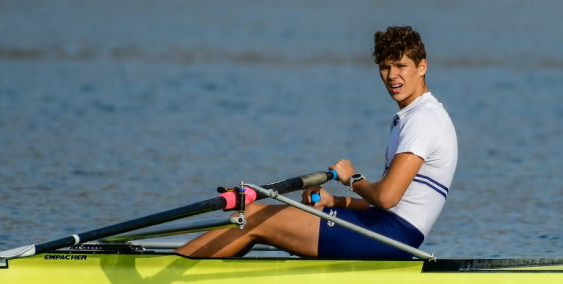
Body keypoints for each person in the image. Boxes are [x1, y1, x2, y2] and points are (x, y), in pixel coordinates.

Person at [176, 26, 457, 260]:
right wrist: (335, 201)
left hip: (389, 238)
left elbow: (386, 198)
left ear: (422, 67)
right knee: (260, 219)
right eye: (385, 67)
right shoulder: (420, 116)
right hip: (390, 231)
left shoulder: (422, 119)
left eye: (401, 65)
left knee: (250, 216)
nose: (392, 75)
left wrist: (352, 178)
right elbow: (393, 206)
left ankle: (173, 268)